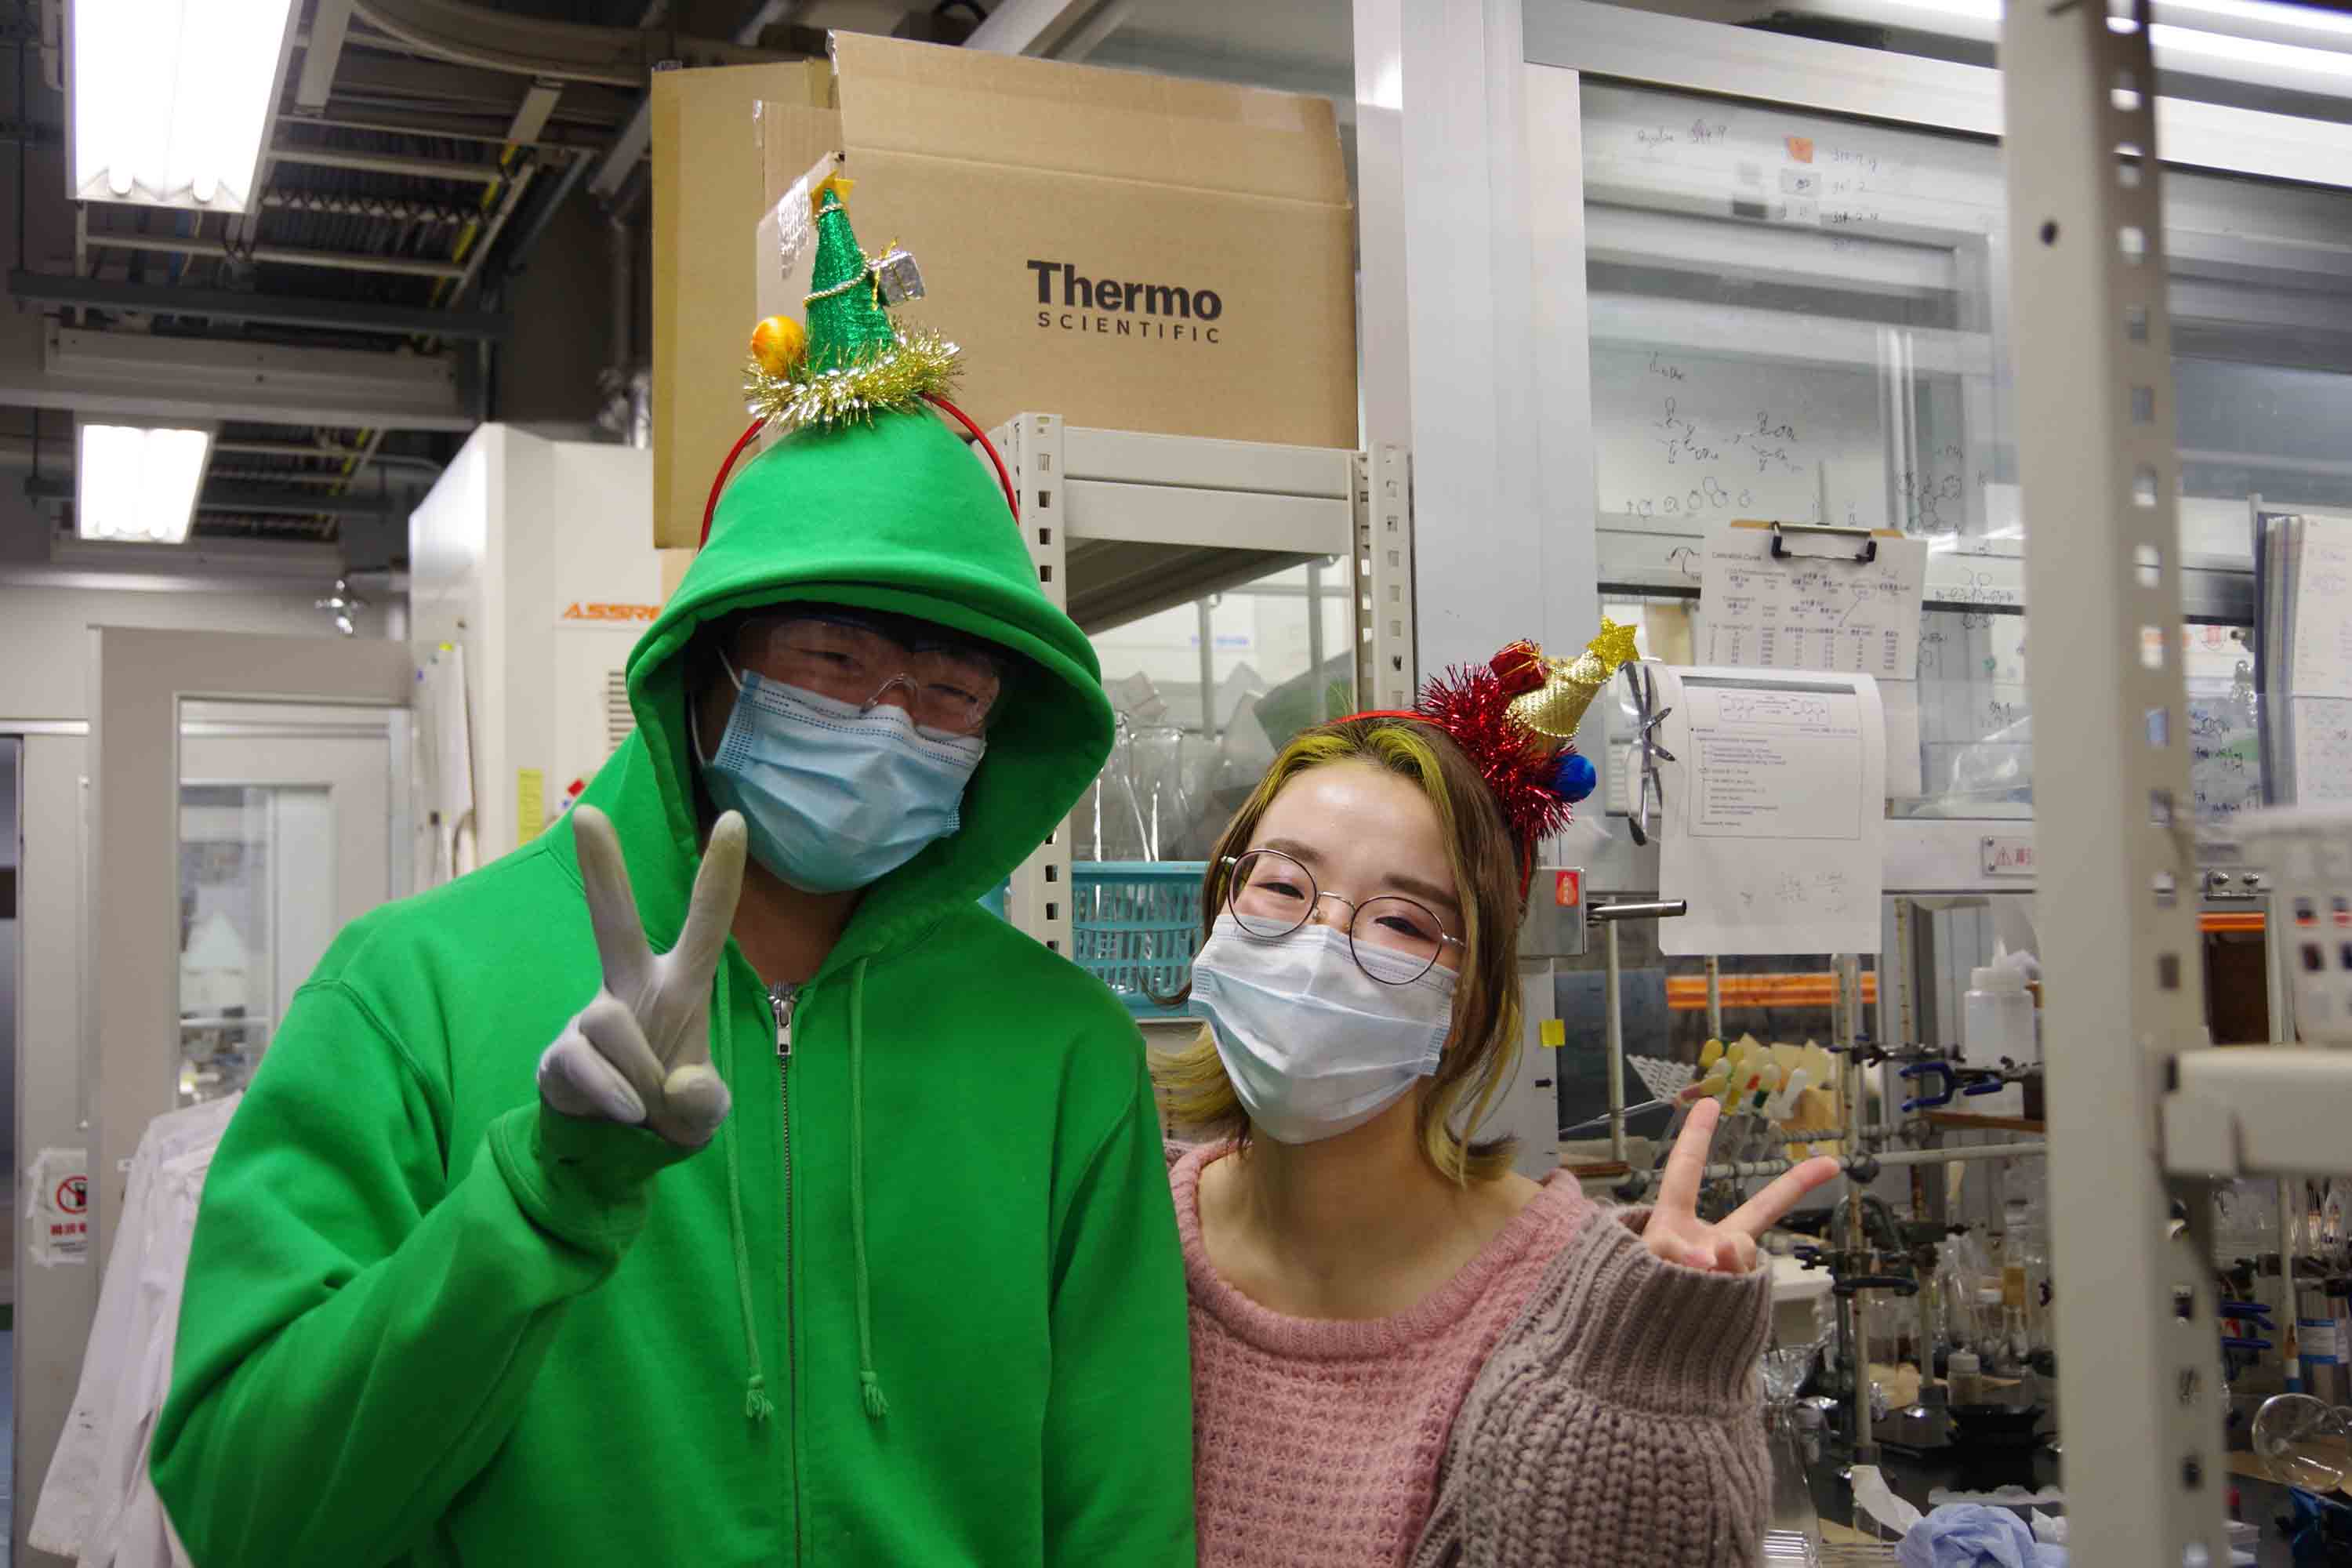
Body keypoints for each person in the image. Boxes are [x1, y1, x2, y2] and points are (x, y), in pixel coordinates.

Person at [150, 180, 1194, 1566]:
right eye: (832, 659)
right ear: (705, 671)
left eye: (950, 692)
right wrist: (539, 1199)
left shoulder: (1061, 1051)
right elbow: (248, 1508)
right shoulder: (416, 991)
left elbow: (1122, 1515)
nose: (889, 722)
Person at [1157, 632, 1841, 1567]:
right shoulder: (1121, 1235)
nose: (1321, 945)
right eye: (1282, 883)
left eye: (1403, 921)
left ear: (1469, 1000)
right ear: (1220, 905)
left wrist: (1653, 1366)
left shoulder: (1571, 1298)